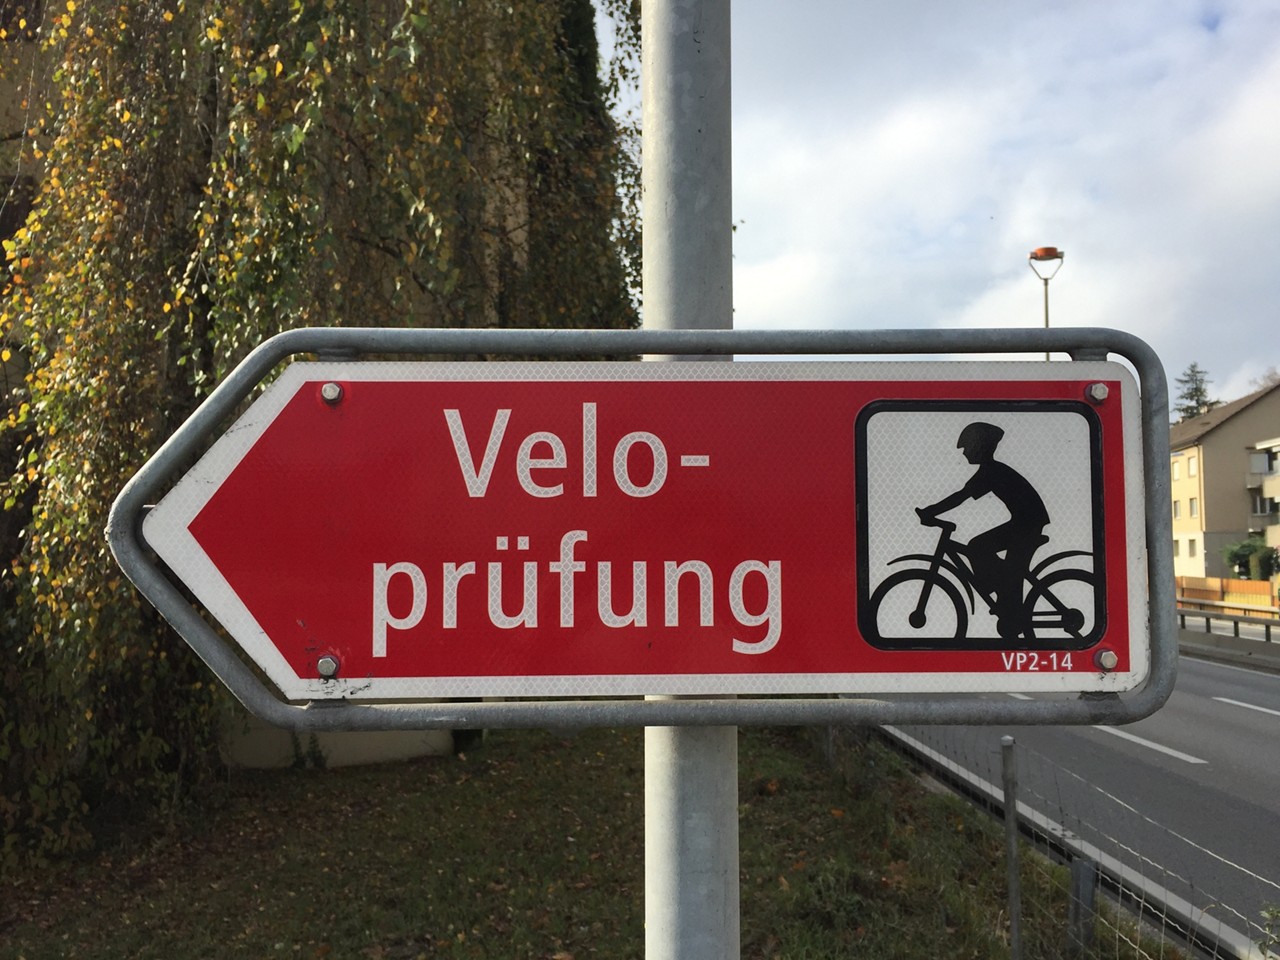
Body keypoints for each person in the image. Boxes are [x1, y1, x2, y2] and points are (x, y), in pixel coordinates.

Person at [917, 422, 1049, 636]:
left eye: (967, 447)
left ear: (980, 447)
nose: (964, 452)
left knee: (981, 548)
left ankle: (1004, 599)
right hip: (1027, 521)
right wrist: (932, 511)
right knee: (987, 553)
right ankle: (1002, 595)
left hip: (1028, 523)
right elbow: (962, 495)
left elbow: (961, 496)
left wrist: (931, 511)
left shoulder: (991, 471)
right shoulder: (991, 470)